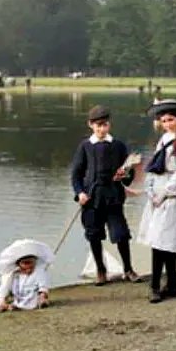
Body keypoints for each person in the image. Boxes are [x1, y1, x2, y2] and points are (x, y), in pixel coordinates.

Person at [70, 105, 140, 285]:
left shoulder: (118, 146)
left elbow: (129, 176)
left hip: (114, 197)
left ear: (109, 125)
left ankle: (128, 269)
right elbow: (76, 174)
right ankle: (101, 270)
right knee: (94, 234)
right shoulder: (85, 146)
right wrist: (80, 193)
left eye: (105, 125)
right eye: (98, 125)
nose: (102, 129)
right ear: (90, 125)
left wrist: (125, 174)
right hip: (92, 198)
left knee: (121, 234)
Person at [137, 99, 176, 303]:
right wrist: (152, 189)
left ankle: (155, 285)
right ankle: (172, 284)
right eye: (164, 121)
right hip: (158, 192)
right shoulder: (164, 140)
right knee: (162, 240)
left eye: (171, 119)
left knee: (163, 241)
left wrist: (166, 192)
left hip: (173, 195)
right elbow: (155, 165)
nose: (167, 124)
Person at [0, 239, 53, 311]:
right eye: (25, 263)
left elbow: (43, 286)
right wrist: (2, 297)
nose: (29, 268)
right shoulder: (14, 274)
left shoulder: (39, 272)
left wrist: (42, 296)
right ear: (18, 264)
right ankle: (4, 304)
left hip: (33, 300)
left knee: (39, 300)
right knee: (1, 301)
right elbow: (5, 286)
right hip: (18, 300)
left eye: (31, 264)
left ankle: (42, 302)